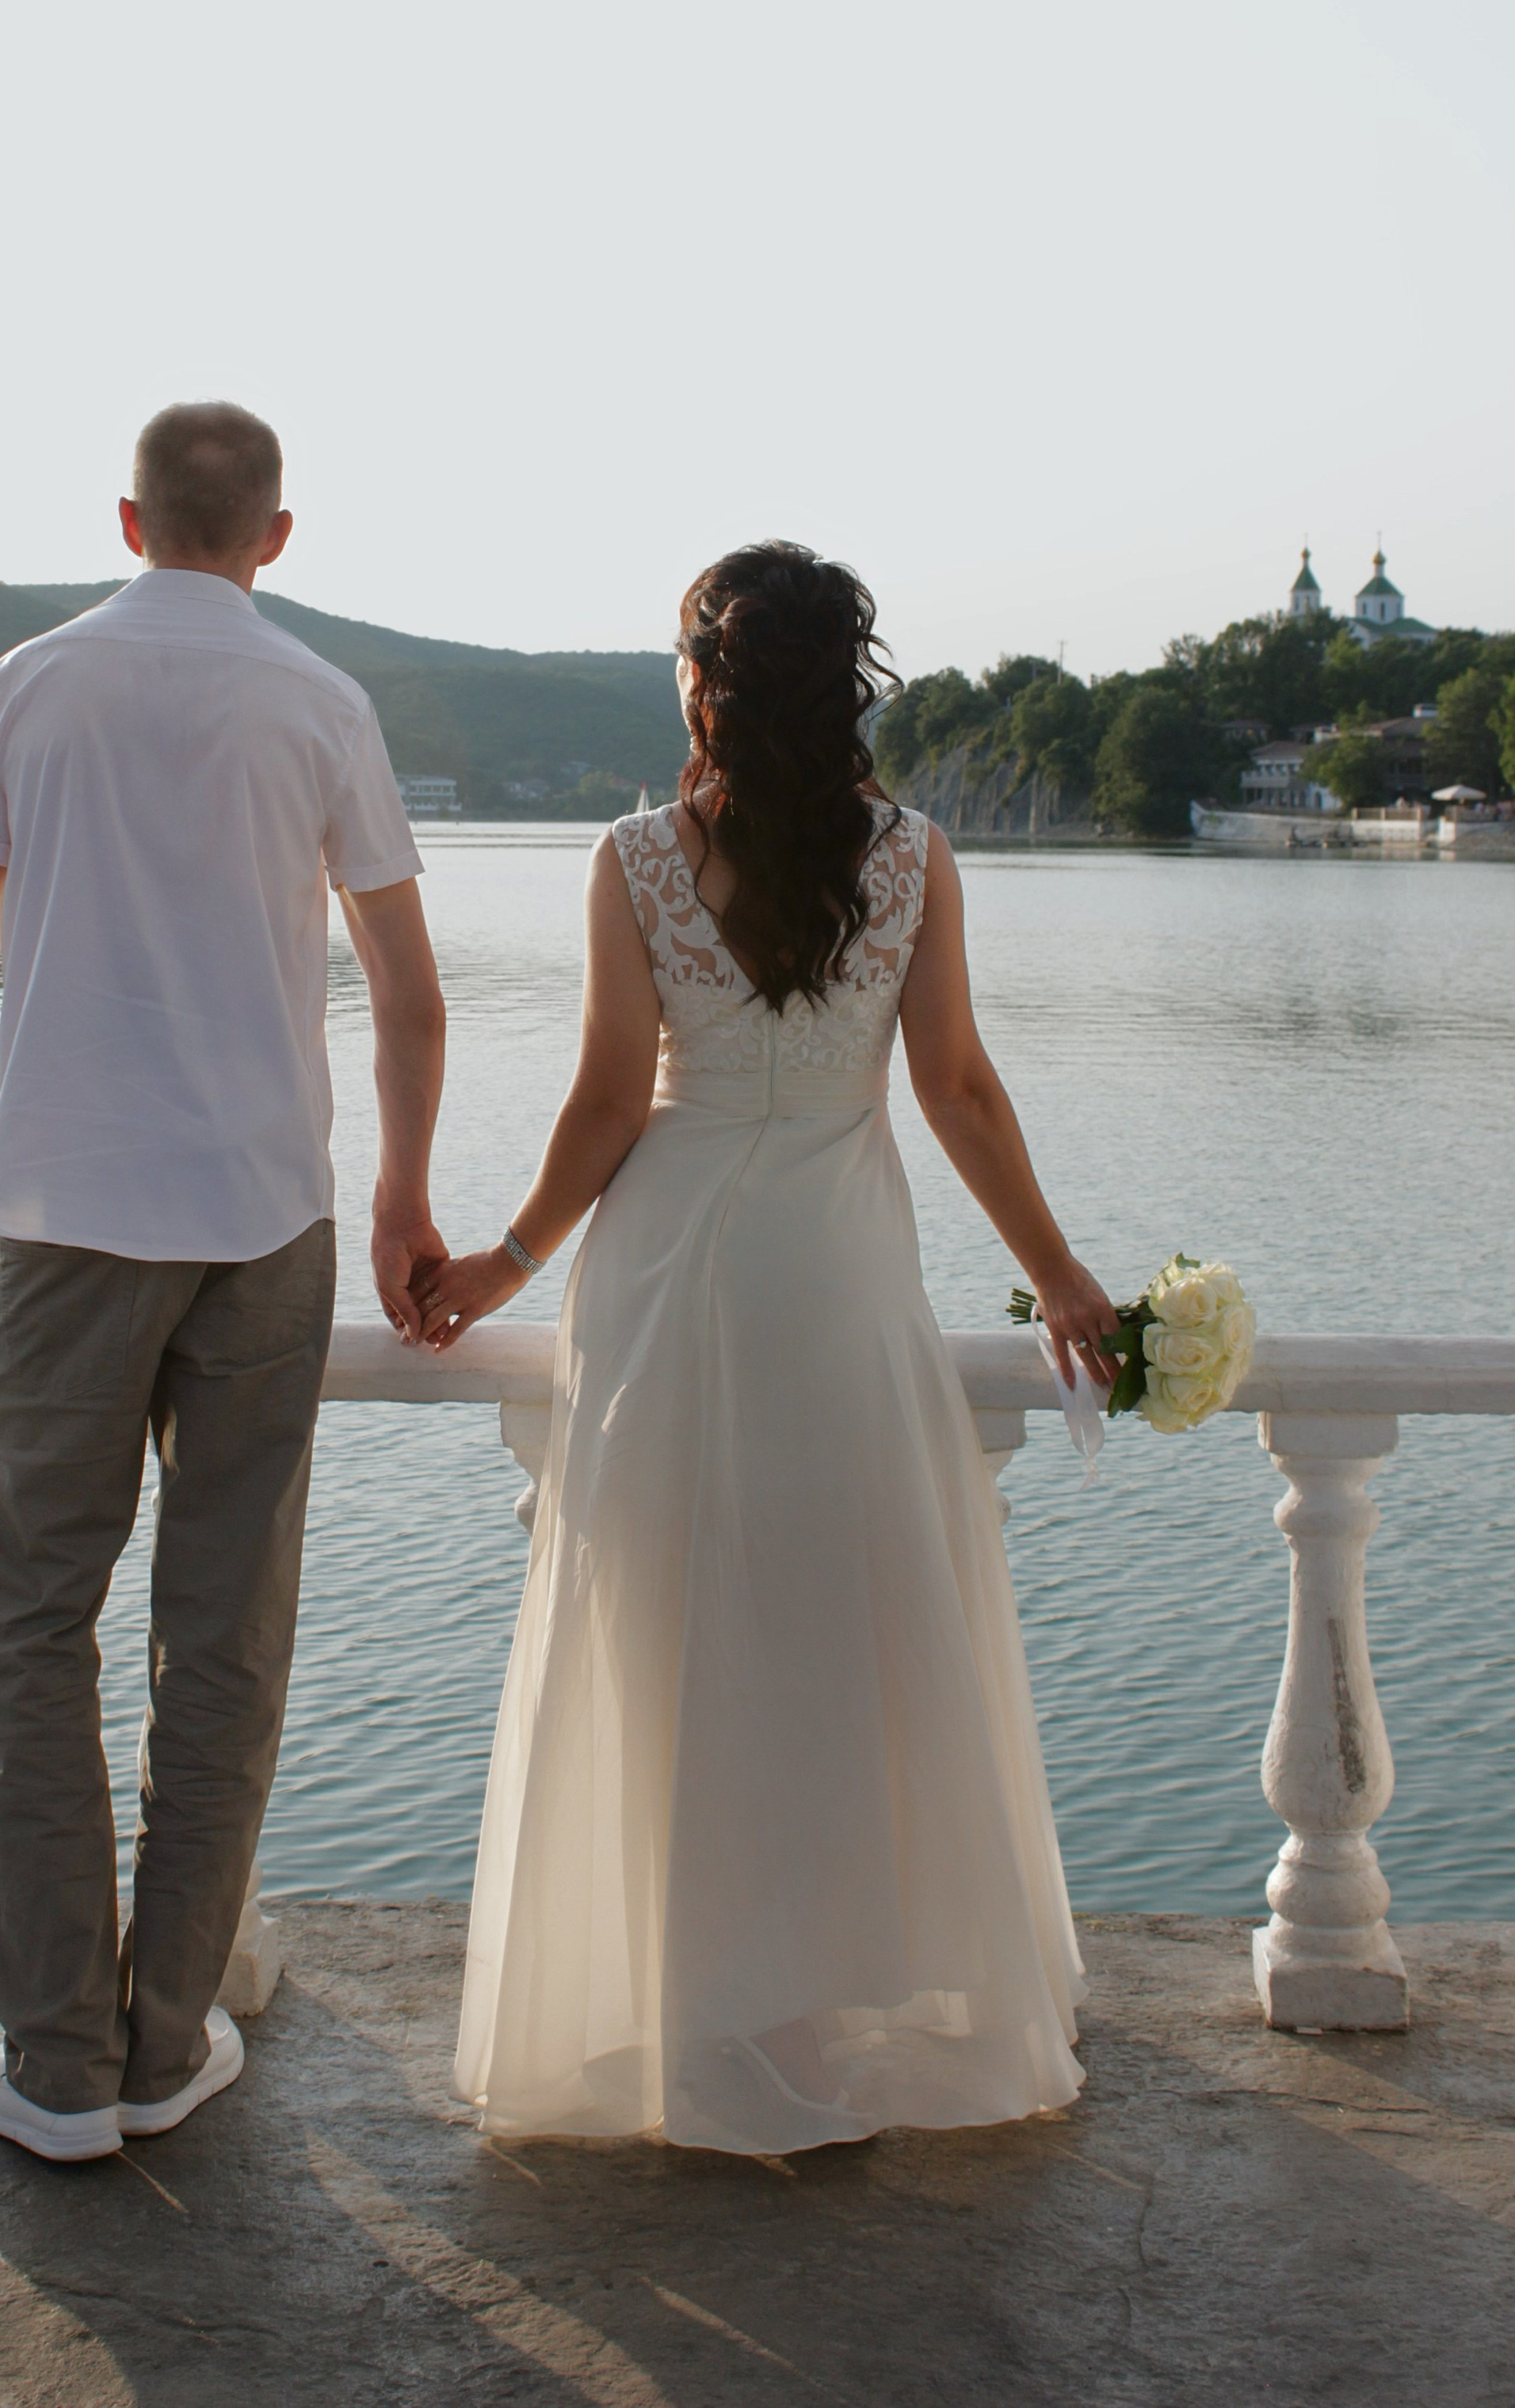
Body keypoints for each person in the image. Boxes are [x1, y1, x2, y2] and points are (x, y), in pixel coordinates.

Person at [416, 541, 1116, 2156]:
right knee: (832, 1641)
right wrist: (1060, 1276)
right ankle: (814, 2006)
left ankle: (716, 2013)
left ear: (704, 685)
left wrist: (498, 1264)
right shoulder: (918, 856)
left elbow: (607, 1101)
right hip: (834, 1281)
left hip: (668, 1280)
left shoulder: (636, 858)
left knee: (675, 1640)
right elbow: (955, 1091)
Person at [0, 401, 448, 2165]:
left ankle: (54, 2061)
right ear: (274, 537)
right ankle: (167, 2034)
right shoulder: (321, 703)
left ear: (128, 517)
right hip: (260, 1222)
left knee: (32, 1630)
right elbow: (410, 995)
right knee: (224, 1642)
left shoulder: (27, 683)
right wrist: (399, 1201)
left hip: (56, 1215)